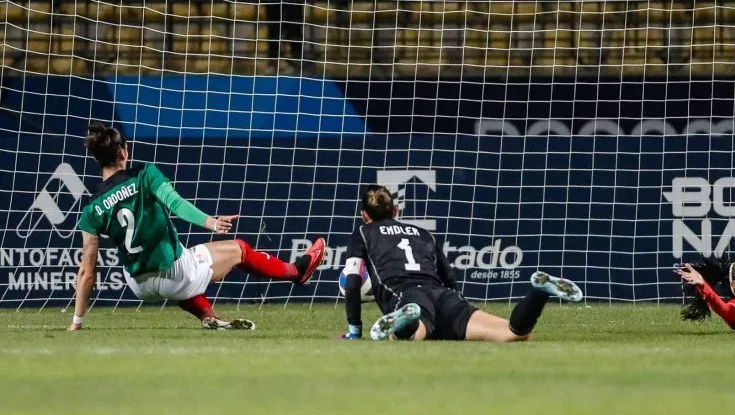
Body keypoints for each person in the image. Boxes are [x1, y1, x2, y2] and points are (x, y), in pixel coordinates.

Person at [69, 122, 326, 331]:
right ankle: (297, 271)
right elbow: (176, 203)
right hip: (174, 271)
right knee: (239, 249)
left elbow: (87, 272)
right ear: (124, 152)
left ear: (96, 158)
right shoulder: (145, 174)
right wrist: (210, 222)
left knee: (184, 273)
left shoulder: (92, 208)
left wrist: (76, 322)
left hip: (138, 285)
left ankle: (207, 315)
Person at [340, 185, 583, 342]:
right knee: (515, 334)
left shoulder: (363, 232)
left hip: (408, 296)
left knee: (408, 338)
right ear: (395, 209)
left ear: (364, 215)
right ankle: (539, 292)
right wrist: (456, 308)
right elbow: (449, 276)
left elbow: (352, 282)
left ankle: (407, 322)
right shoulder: (423, 233)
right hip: (444, 296)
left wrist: (354, 331)